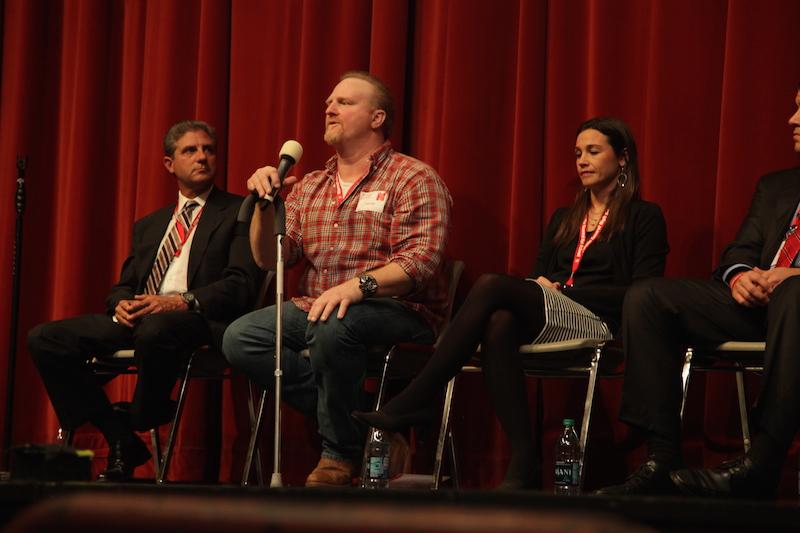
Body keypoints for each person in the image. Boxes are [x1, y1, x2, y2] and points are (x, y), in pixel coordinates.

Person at [354, 117, 669, 490]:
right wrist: (543, 287)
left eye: (593, 151)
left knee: (491, 286)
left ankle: (419, 396)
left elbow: (641, 293)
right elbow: (538, 275)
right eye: (578, 153)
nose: (582, 160)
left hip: (599, 321)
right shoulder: (565, 220)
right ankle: (523, 456)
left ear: (622, 159)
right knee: (499, 320)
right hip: (553, 313)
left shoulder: (644, 217)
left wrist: (565, 293)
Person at [223, 71, 452, 487]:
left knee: (333, 324)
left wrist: (356, 287)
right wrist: (264, 207)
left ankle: (339, 454)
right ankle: (368, 427)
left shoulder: (412, 177)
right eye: (329, 101)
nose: (329, 108)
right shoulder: (311, 184)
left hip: (397, 308)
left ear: (377, 117)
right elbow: (272, 259)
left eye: (344, 102)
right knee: (241, 337)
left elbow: (420, 262)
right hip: (319, 306)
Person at [28, 120, 262, 481]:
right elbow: (123, 286)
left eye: (208, 150)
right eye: (190, 150)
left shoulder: (238, 213)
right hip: (143, 319)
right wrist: (121, 304)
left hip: (195, 321)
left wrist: (180, 301)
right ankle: (120, 434)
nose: (202, 157)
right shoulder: (150, 225)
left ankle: (136, 418)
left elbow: (240, 285)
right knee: (45, 338)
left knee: (156, 327)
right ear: (169, 164)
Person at [596, 87, 800, 499]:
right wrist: (742, 277)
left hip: (794, 304)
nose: (792, 120)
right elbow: (737, 254)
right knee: (648, 297)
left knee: (795, 292)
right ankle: (660, 457)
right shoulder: (777, 187)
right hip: (757, 303)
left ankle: (764, 459)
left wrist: (792, 277)